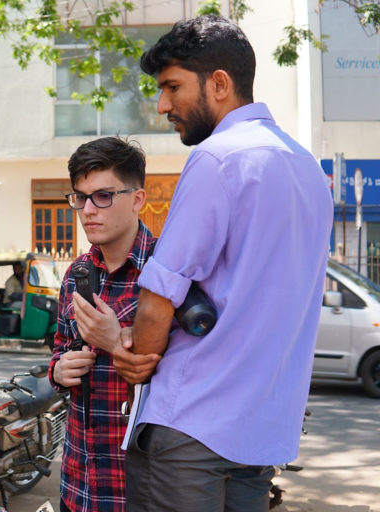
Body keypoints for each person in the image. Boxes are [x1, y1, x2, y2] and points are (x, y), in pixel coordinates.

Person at [105, 15, 333, 511]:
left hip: (192, 426)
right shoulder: (308, 170)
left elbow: (159, 297)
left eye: (172, 87)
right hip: (262, 430)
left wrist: (135, 360)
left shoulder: (217, 159)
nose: (162, 105)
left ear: (221, 84)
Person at [48, 136, 155, 512]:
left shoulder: (168, 273)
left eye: (103, 196)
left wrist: (117, 341)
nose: (88, 209)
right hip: (78, 485)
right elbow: (60, 350)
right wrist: (60, 369)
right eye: (80, 197)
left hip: (139, 488)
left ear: (137, 199)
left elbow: (192, 375)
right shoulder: (77, 273)